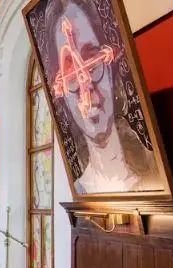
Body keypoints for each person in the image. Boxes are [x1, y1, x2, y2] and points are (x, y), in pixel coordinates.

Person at [45, 0, 158, 195]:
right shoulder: (80, 190)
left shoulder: (156, 172)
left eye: (93, 64)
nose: (86, 89)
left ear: (111, 69)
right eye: (71, 74)